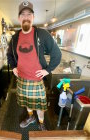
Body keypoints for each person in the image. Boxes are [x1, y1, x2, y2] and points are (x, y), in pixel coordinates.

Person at [7, 1, 62, 130]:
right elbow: (9, 54)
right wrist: (13, 66)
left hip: (37, 80)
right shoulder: (15, 37)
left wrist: (48, 70)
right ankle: (30, 117)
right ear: (19, 18)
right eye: (23, 15)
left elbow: (56, 53)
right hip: (21, 79)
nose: (26, 17)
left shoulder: (42, 34)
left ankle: (41, 123)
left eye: (29, 14)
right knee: (27, 102)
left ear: (33, 17)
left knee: (40, 106)